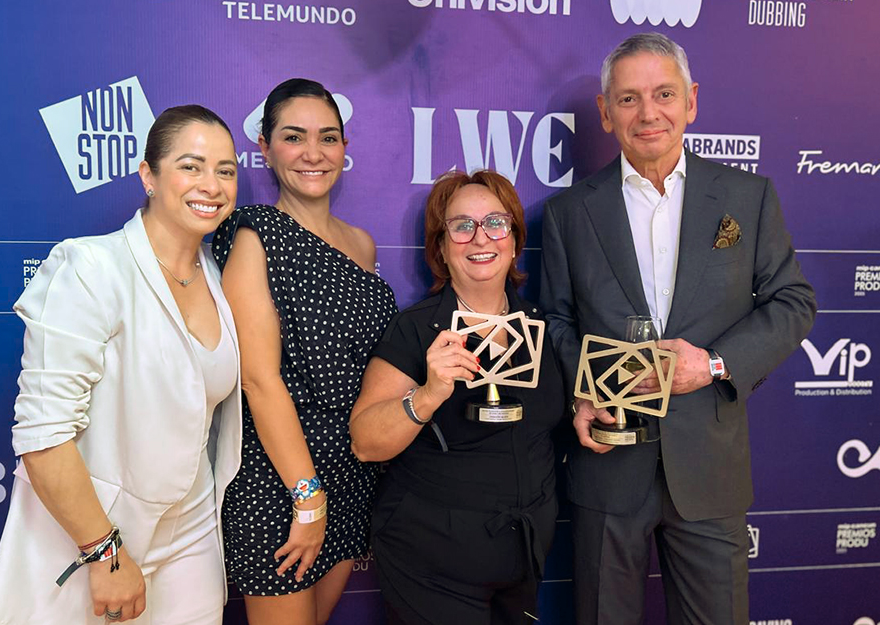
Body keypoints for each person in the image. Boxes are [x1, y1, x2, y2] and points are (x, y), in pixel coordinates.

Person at [540, 33, 817, 625]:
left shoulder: (748, 197)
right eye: (629, 98)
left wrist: (713, 364)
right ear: (605, 112)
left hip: (710, 470)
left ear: (691, 101)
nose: (648, 113)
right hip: (608, 461)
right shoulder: (568, 214)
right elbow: (556, 321)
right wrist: (583, 391)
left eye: (664, 94)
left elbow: (793, 301)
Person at [0, 105, 243, 625]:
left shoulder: (220, 276)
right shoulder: (91, 266)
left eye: (225, 170)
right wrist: (104, 551)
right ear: (149, 175)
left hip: (192, 535)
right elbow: (43, 433)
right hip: (85, 537)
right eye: (190, 166)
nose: (211, 185)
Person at [211, 78, 396, 625]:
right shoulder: (255, 234)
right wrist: (307, 497)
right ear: (265, 148)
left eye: (328, 137)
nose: (313, 153)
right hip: (282, 480)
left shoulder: (362, 243)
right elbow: (258, 380)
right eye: (294, 137)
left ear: (343, 147)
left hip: (352, 470)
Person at [351, 170, 566, 625]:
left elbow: (554, 429)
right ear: (441, 247)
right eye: (462, 226)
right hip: (432, 567)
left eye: (495, 223)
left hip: (522, 561)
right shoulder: (416, 329)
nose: (481, 237)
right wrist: (427, 395)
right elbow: (366, 442)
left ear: (514, 240)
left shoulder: (541, 326)